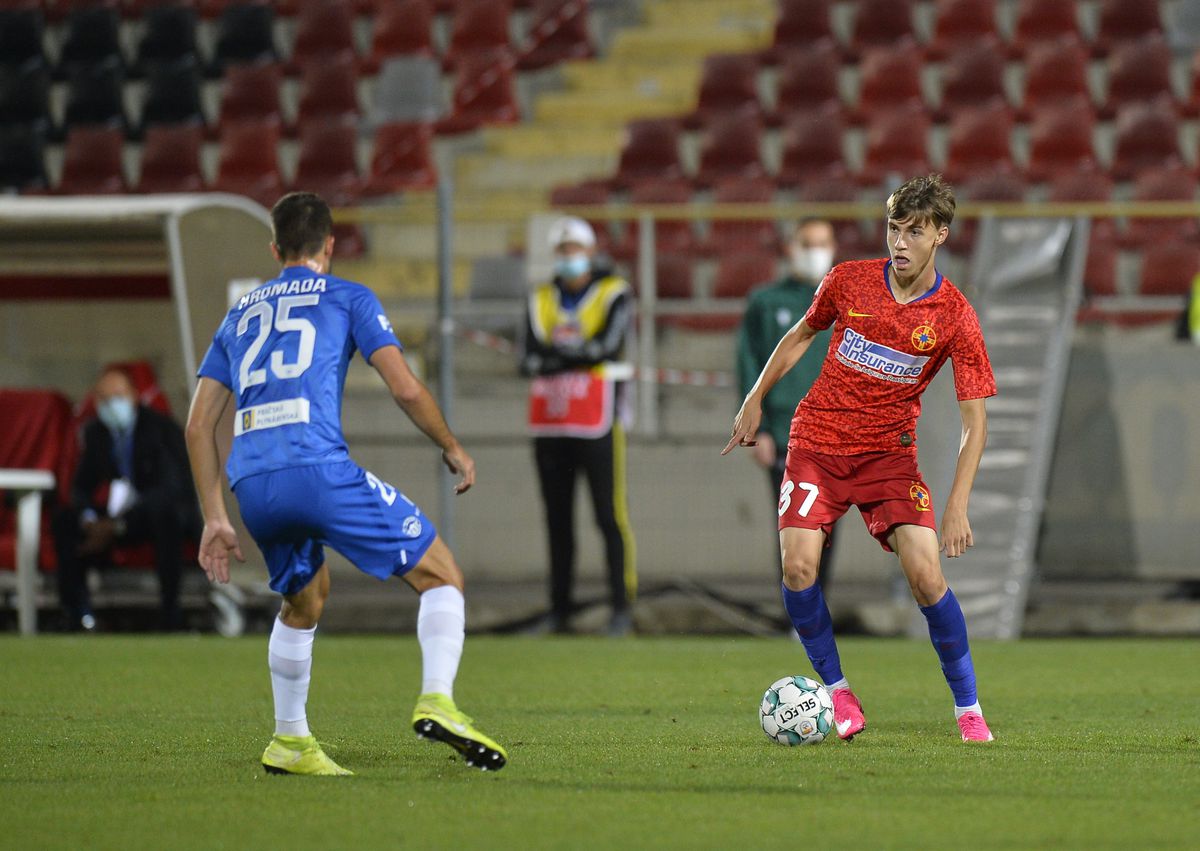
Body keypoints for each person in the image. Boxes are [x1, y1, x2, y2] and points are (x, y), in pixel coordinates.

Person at [185, 192, 506, 775]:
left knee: (304, 600)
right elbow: (406, 387)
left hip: (253, 485)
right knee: (441, 575)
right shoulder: (348, 297)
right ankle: (438, 698)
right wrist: (451, 446)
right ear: (329, 246)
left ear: (275, 248)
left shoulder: (240, 313)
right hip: (318, 470)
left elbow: (198, 424)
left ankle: (289, 741)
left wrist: (215, 516)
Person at [723, 174, 998, 743]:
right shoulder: (848, 281)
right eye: (894, 228)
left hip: (887, 458)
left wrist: (958, 505)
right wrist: (754, 398)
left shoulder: (954, 315)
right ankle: (837, 692)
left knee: (926, 575)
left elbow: (975, 421)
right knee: (798, 568)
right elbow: (801, 335)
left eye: (914, 231)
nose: (899, 242)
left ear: (939, 235)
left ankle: (968, 707)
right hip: (817, 444)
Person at [519, 216, 636, 636]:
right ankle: (559, 608)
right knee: (557, 519)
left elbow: (606, 347)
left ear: (590, 251)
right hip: (551, 421)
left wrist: (555, 357)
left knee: (609, 515)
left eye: (576, 249)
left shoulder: (612, 293)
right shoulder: (540, 299)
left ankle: (622, 607)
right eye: (563, 250)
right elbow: (526, 359)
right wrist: (575, 356)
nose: (570, 257)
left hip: (596, 419)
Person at [53, 366, 200, 631]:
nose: (111, 405)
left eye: (117, 397)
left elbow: (170, 488)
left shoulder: (161, 428)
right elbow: (80, 487)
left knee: (164, 513)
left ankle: (171, 615)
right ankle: (77, 614)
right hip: (116, 517)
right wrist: (89, 520)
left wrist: (117, 526)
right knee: (65, 520)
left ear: (133, 395)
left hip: (154, 515)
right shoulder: (96, 433)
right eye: (104, 399)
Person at [735, 219, 838, 590]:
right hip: (784, 433)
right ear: (791, 248)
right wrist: (757, 429)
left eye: (823, 242)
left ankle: (814, 610)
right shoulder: (766, 302)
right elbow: (750, 365)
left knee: (827, 527)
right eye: (808, 243)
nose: (816, 251)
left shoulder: (848, 302)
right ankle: (798, 613)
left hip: (839, 437)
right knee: (793, 528)